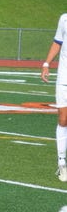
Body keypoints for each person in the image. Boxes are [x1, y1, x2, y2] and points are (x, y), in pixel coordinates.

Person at [41, 12, 67, 183]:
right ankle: (62, 163)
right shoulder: (64, 19)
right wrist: (46, 64)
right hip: (64, 79)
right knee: (64, 119)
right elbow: (57, 42)